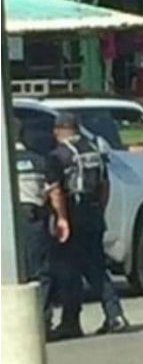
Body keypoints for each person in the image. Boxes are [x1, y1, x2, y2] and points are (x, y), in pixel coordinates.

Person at [47, 112, 129, 339]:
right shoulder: (94, 151)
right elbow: (105, 186)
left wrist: (62, 219)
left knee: (68, 271)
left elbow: (57, 192)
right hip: (93, 214)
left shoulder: (59, 155)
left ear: (58, 130)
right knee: (95, 267)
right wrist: (99, 211)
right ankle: (115, 314)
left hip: (73, 216)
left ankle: (71, 323)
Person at [14, 119, 71, 335]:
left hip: (9, 225)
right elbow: (55, 193)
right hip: (32, 221)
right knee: (40, 273)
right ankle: (41, 322)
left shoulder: (4, 163)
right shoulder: (39, 161)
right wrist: (62, 219)